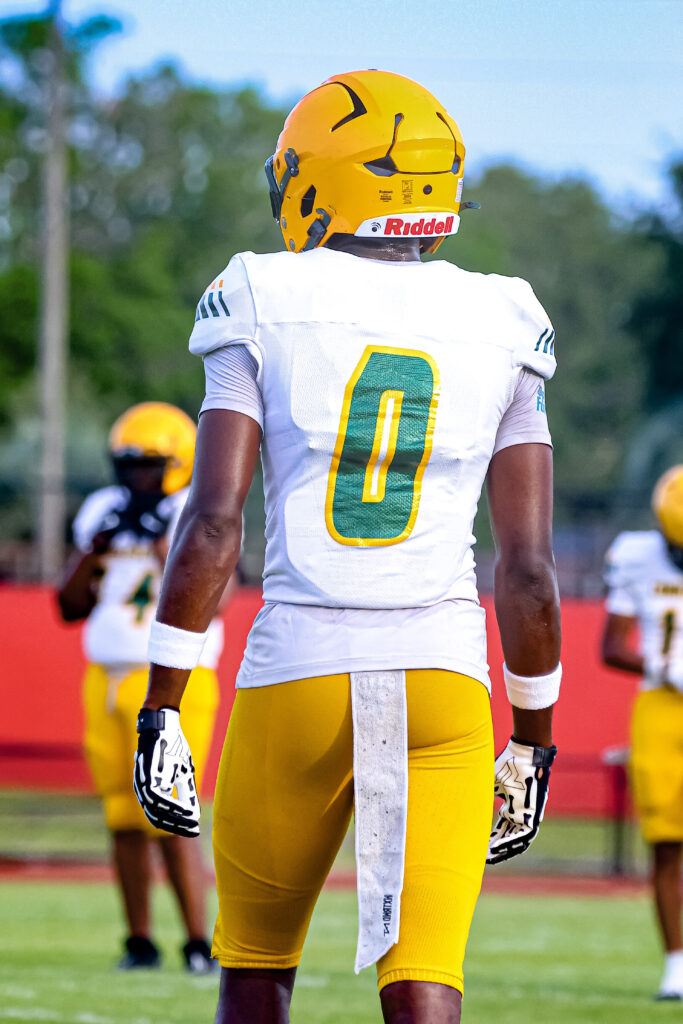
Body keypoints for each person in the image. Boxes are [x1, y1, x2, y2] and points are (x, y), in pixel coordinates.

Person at [133, 70, 562, 1023]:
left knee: (255, 966)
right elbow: (528, 568)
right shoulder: (505, 312)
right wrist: (534, 739)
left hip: (300, 663)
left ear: (322, 176)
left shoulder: (259, 290)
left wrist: (162, 703)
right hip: (443, 675)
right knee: (425, 979)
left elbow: (212, 521)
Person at [57, 401, 224, 973]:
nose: (137, 478)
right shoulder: (103, 510)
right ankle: (139, 941)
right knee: (122, 817)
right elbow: (67, 605)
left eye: (150, 466)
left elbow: (218, 597)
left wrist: (163, 546)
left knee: (171, 809)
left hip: (173, 679)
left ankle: (197, 942)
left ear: (178, 466)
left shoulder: (196, 510)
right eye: (129, 465)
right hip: (104, 678)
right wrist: (97, 549)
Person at [602, 465, 683, 1001]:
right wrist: (662, 668)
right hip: (663, 704)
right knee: (667, 842)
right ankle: (677, 965)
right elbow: (610, 647)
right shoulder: (637, 555)